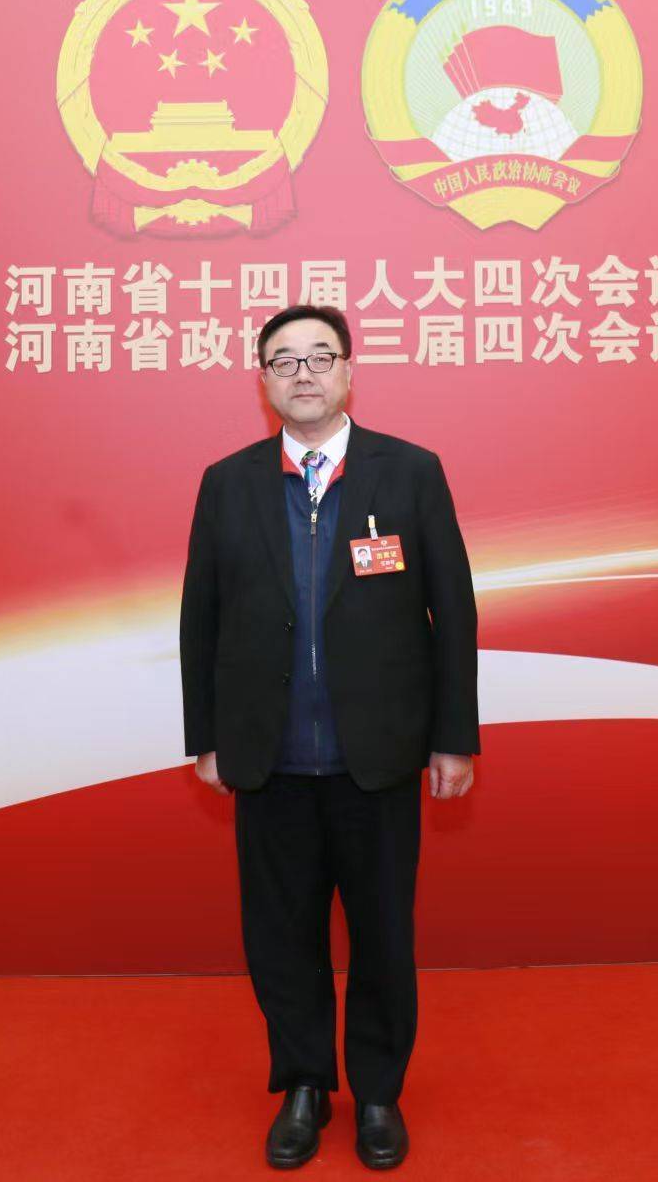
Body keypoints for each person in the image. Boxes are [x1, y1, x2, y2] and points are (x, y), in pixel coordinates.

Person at [179, 304, 479, 1171]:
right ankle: (305, 1084)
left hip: (377, 755)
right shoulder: (229, 482)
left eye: (320, 356)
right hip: (269, 756)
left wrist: (452, 736)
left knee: (383, 933)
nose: (303, 373)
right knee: (283, 935)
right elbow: (202, 618)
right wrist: (208, 735)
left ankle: (378, 1090)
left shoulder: (409, 471)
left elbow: (453, 612)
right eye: (285, 360)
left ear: (349, 370)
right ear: (263, 380)